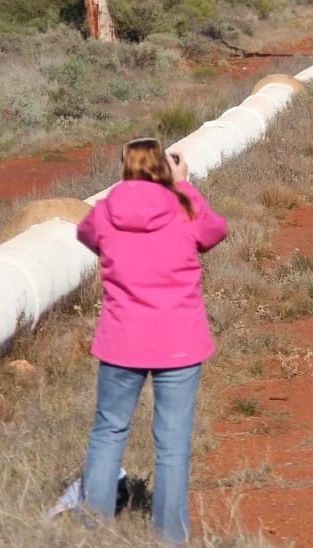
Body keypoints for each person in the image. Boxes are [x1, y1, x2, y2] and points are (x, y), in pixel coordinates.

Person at [75, 137, 228, 544]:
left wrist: (122, 195)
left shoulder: (106, 211)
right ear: (165, 166)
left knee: (109, 432)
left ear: (124, 168)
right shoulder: (183, 206)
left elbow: (86, 235)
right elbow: (215, 233)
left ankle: (93, 531)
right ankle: (170, 538)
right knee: (173, 442)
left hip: (122, 340)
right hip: (180, 341)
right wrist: (184, 185)